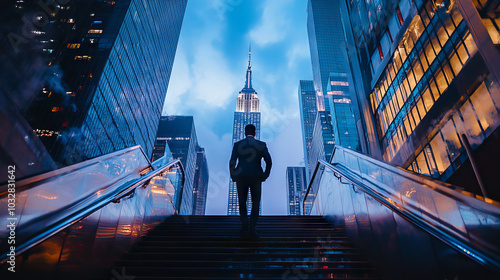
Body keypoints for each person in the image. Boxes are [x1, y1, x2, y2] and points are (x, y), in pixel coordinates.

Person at [229, 124, 272, 238]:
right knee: (255, 203)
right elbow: (269, 161)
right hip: (256, 176)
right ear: (254, 133)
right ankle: (252, 229)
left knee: (242, 202)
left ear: (244, 133)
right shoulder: (261, 144)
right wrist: (265, 175)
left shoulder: (237, 144)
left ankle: (244, 225)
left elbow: (232, 161)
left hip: (241, 176)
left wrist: (233, 175)